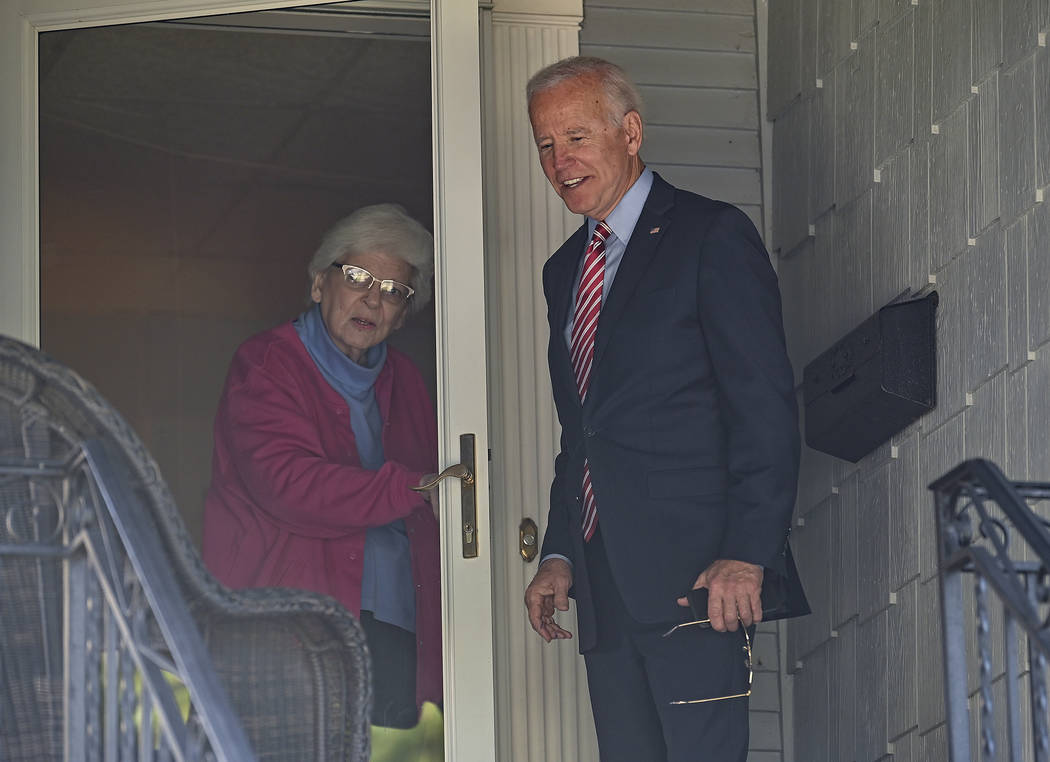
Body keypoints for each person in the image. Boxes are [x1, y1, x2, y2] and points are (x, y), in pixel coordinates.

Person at [522, 56, 804, 761]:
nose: (561, 161)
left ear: (631, 130)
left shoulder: (709, 236)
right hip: (602, 578)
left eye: (577, 137)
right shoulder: (565, 270)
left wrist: (748, 552)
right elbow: (583, 431)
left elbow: (763, 406)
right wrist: (560, 551)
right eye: (546, 145)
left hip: (698, 574)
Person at [203, 203, 441, 730]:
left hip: (395, 626)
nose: (373, 299)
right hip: (293, 628)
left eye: (394, 290)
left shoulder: (407, 380)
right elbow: (287, 486)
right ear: (318, 285)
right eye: (358, 277)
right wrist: (406, 488)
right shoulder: (267, 363)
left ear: (404, 314)